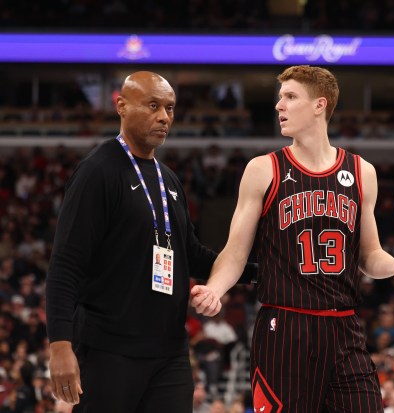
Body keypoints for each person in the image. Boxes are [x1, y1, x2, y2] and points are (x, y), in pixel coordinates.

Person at [191, 65, 394, 412]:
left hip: (344, 327)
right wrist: (215, 289)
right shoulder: (264, 169)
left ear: (320, 105)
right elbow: (235, 253)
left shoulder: (363, 171)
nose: (279, 106)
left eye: (290, 97)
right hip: (285, 328)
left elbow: (369, 256)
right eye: (279, 98)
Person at [45, 71, 256, 413]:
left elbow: (192, 256)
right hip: (108, 352)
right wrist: (59, 346)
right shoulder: (97, 172)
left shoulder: (168, 178)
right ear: (122, 107)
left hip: (169, 354)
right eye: (154, 106)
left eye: (170, 108)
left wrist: (259, 271)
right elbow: (65, 266)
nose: (164, 117)